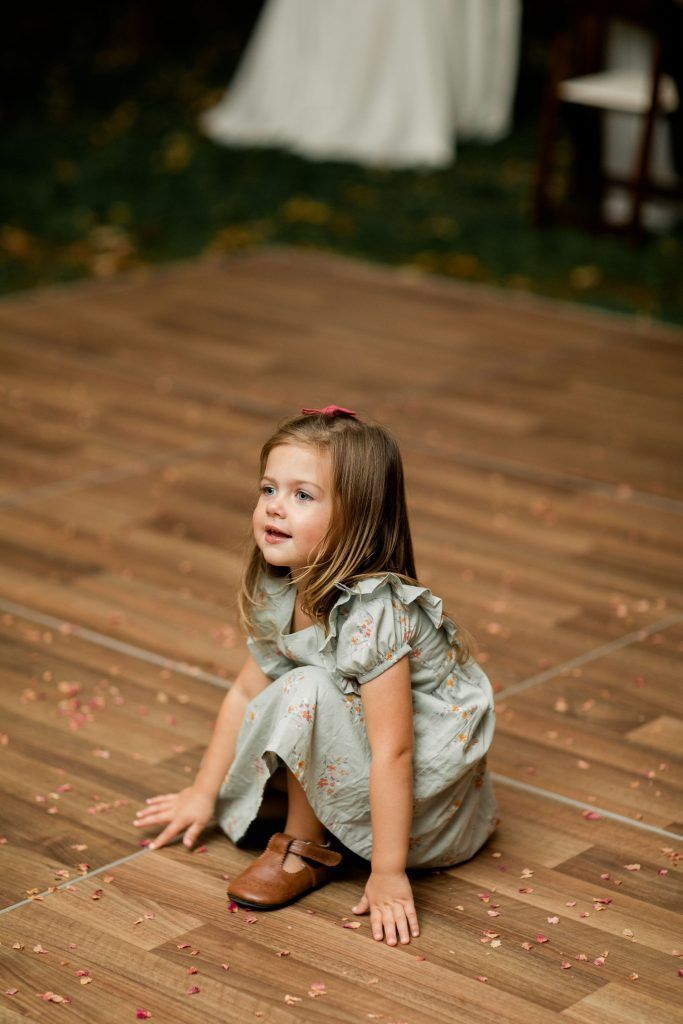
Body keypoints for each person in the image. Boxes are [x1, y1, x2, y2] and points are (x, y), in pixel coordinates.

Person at [134, 406, 498, 946]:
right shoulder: (283, 585)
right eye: (268, 489)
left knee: (308, 688)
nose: (275, 508)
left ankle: (305, 847)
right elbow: (243, 692)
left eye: (303, 495)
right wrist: (202, 793)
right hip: (385, 780)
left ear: (357, 519)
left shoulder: (375, 612)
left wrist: (389, 873)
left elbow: (396, 749)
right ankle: (317, 810)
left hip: (424, 815)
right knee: (298, 688)